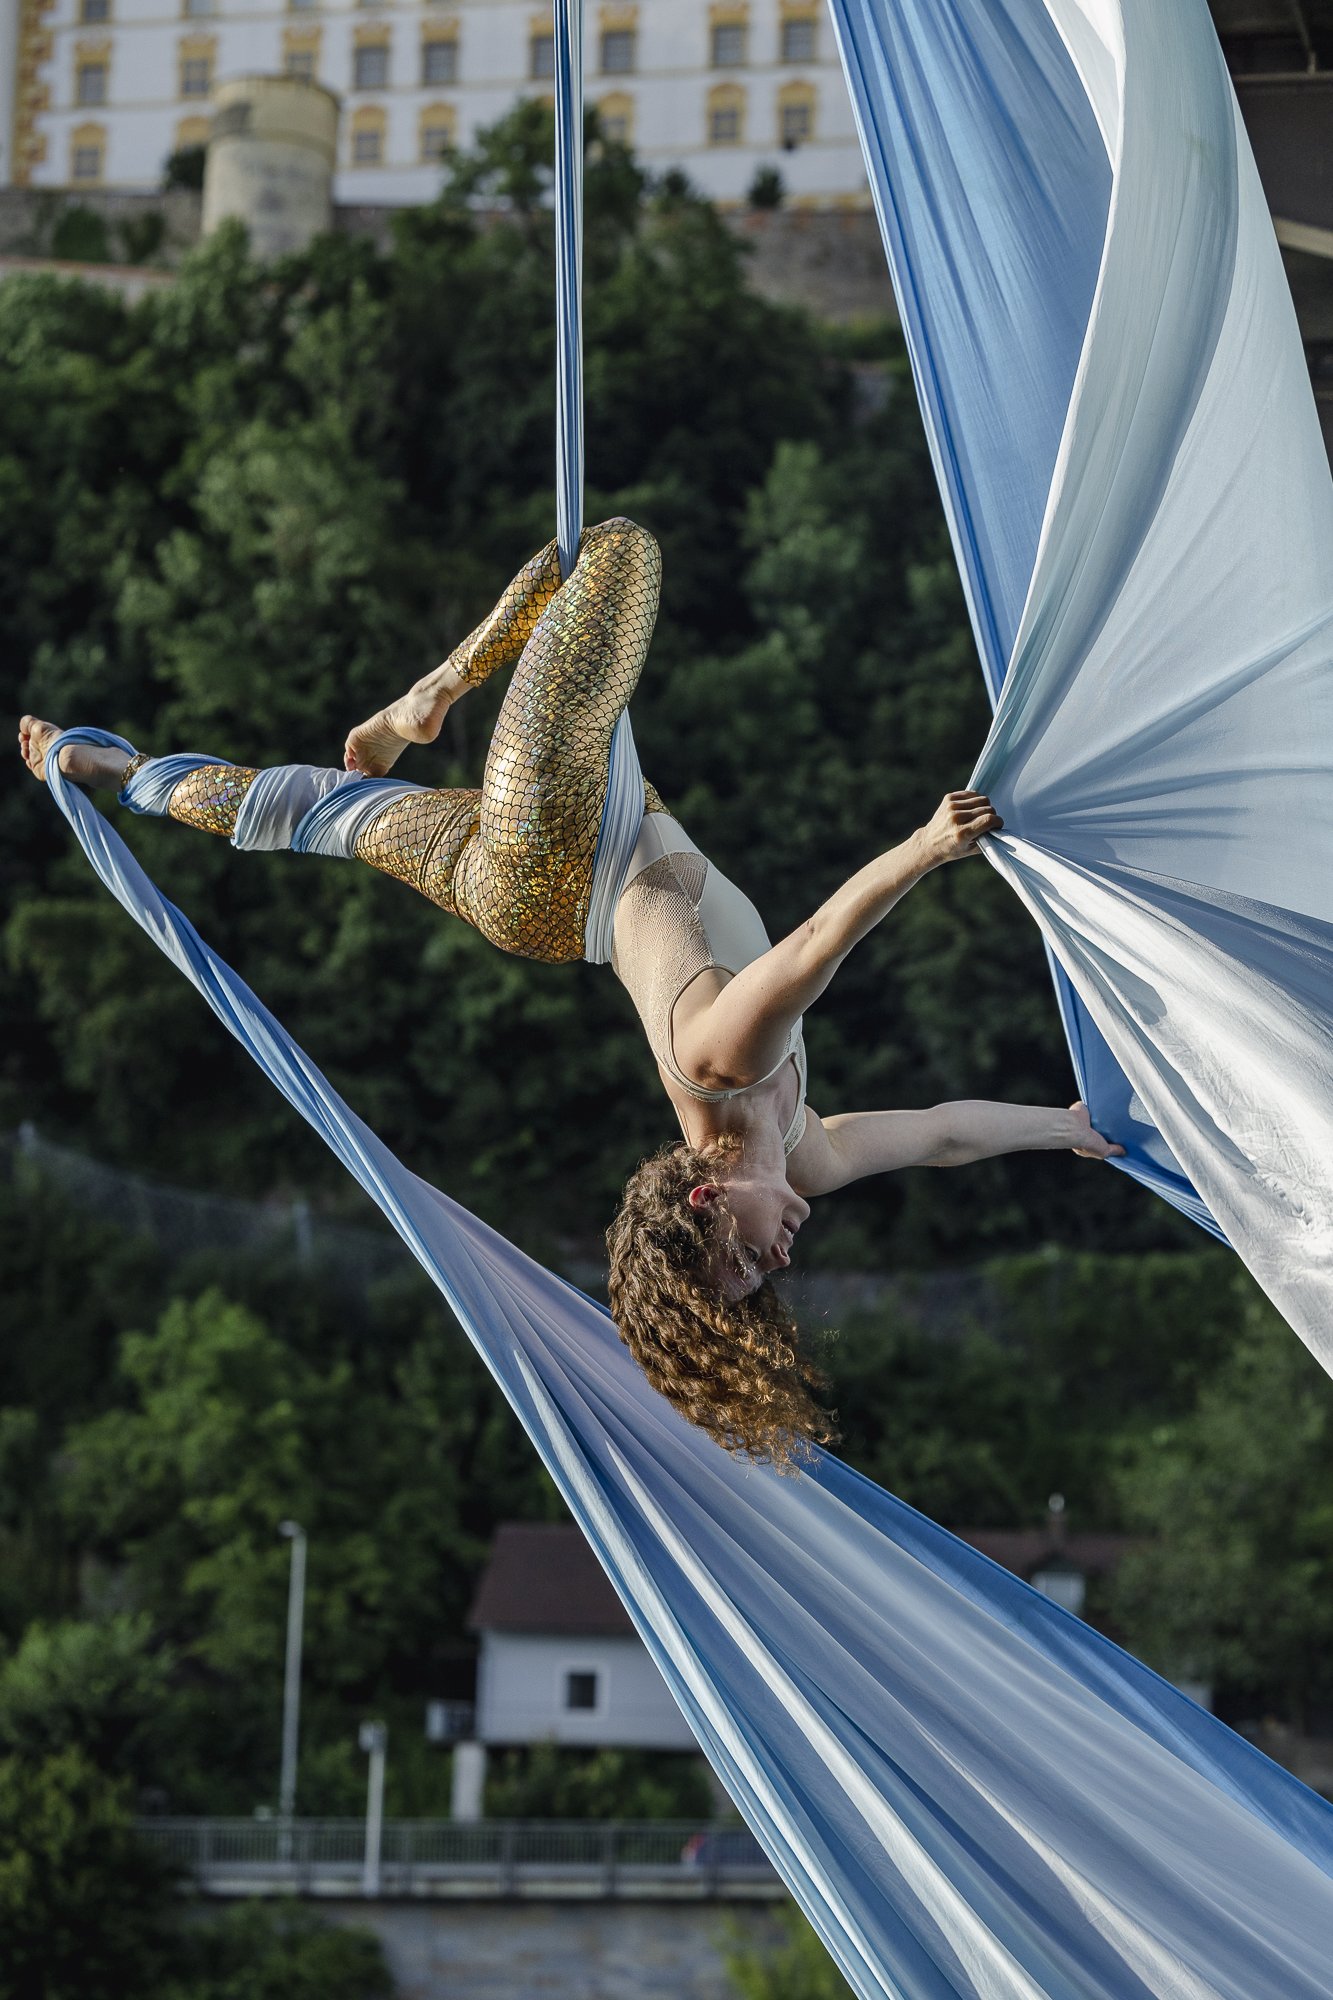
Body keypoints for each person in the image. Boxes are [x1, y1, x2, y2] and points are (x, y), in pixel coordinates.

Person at [19, 517, 1121, 1467]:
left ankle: (431, 692)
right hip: (539, 909)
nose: (780, 1258)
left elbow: (818, 944)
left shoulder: (719, 1061)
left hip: (560, 831)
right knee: (312, 816)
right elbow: (938, 1138)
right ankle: (116, 771)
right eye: (763, 1276)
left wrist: (926, 848)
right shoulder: (810, 1155)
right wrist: (1060, 1126)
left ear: (703, 1199)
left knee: (614, 551)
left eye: (744, 1257)